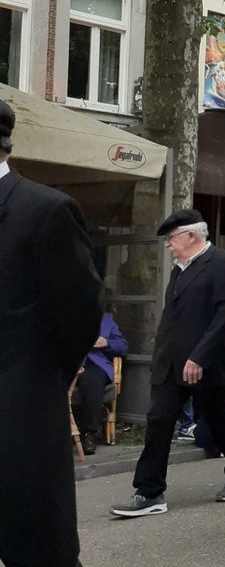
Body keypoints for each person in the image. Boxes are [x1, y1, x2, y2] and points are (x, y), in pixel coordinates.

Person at [0, 98, 103, 567]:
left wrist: (36, 378)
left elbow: (79, 311)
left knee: (38, 548)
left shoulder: (45, 210)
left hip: (20, 414)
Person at [112, 209, 225, 518]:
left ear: (191, 236)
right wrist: (160, 356)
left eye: (171, 238)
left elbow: (224, 316)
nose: (168, 245)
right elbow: (172, 319)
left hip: (206, 363)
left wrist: (199, 356)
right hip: (171, 364)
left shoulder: (224, 264)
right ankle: (150, 492)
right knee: (158, 421)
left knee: (218, 420)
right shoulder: (179, 270)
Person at [71, 295, 129, 455]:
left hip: (95, 364)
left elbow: (123, 346)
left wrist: (107, 343)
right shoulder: (68, 316)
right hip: (71, 362)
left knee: (91, 381)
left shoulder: (107, 320)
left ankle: (88, 434)